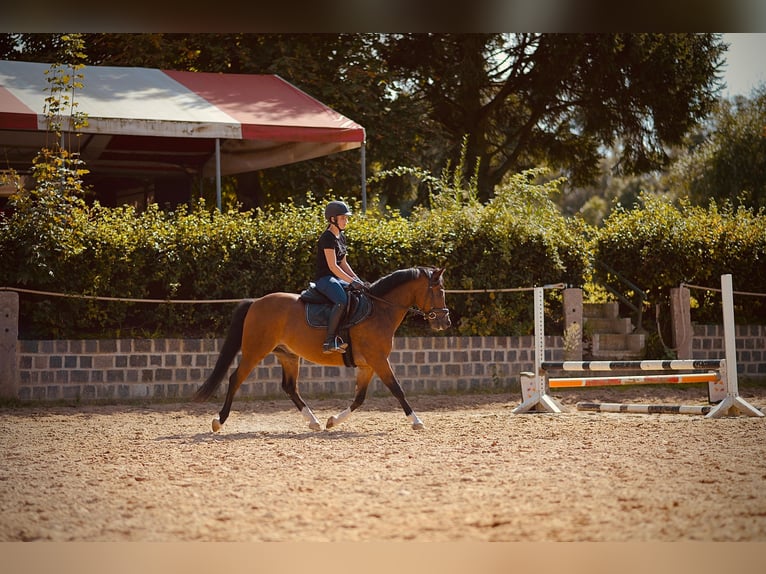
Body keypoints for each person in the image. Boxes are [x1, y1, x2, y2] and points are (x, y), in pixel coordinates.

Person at [314, 200, 367, 353]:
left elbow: (343, 263)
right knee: (341, 300)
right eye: (343, 218)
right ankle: (329, 341)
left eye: (346, 218)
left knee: (356, 295)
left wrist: (358, 281)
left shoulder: (341, 237)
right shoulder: (327, 238)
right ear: (332, 219)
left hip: (336, 278)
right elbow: (332, 266)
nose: (346, 221)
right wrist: (351, 281)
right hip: (325, 279)